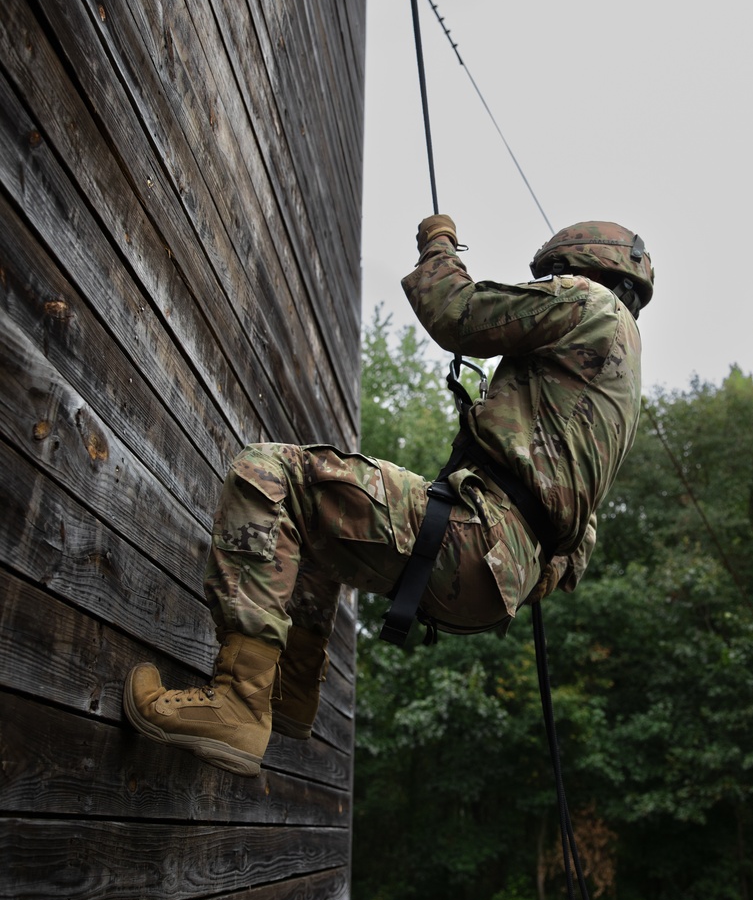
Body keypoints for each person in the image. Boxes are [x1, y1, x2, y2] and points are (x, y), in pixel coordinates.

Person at [123, 219, 653, 776]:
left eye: (551, 277)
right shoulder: (617, 389)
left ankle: (239, 701)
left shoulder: (588, 302)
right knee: (316, 524)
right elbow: (569, 561)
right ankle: (290, 691)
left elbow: (457, 310)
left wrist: (439, 244)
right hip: (494, 583)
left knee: (270, 473)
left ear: (581, 267)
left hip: (477, 537)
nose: (548, 285)